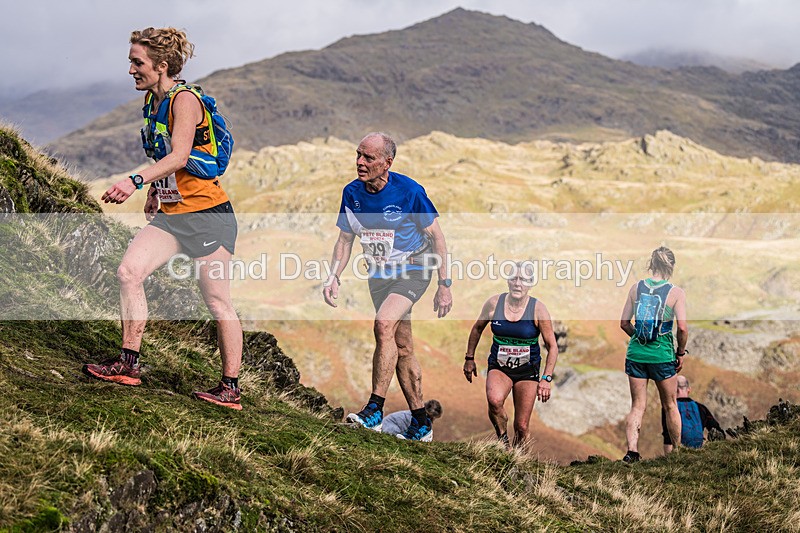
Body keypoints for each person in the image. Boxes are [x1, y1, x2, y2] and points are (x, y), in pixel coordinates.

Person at [83, 27, 243, 410]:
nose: (131, 70)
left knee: (218, 302)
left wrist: (135, 181)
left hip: (209, 216)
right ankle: (128, 362)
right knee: (129, 272)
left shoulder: (184, 99)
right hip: (174, 216)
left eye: (137, 63)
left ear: (162, 66)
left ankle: (230, 388)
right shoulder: (152, 104)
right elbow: (165, 159)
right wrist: (158, 191)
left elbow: (181, 156)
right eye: (131, 62)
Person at [323, 132, 453, 441]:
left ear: (387, 163)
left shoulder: (409, 192)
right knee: (402, 345)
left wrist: (444, 285)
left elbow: (438, 238)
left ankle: (374, 411)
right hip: (379, 274)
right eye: (358, 155)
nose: (360, 162)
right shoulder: (351, 193)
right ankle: (421, 422)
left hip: (414, 267)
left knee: (383, 325)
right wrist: (334, 276)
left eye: (368, 157)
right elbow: (345, 239)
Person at [463, 262, 559, 449]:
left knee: (522, 426)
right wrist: (469, 358)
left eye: (523, 279)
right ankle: (503, 440)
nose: (517, 283)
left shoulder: (538, 309)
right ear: (507, 281)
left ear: (531, 284)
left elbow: (552, 346)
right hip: (499, 367)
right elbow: (477, 329)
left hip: (527, 371)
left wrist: (546, 379)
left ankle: (519, 461)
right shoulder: (494, 303)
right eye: (514, 278)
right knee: (494, 401)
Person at [620, 246, 688, 463]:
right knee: (670, 405)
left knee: (637, 405)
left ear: (651, 264)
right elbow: (683, 329)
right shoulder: (675, 293)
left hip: (636, 354)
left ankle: (632, 452)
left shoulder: (635, 288)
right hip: (662, 356)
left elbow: (623, 323)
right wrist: (680, 353)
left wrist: (639, 337)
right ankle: (677, 452)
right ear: (671, 266)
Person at [662, 376, 725, 453]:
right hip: (698, 453)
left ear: (673, 390)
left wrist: (669, 459)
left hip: (679, 454)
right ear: (689, 390)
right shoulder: (701, 408)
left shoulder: (670, 409)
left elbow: (667, 436)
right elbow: (718, 431)